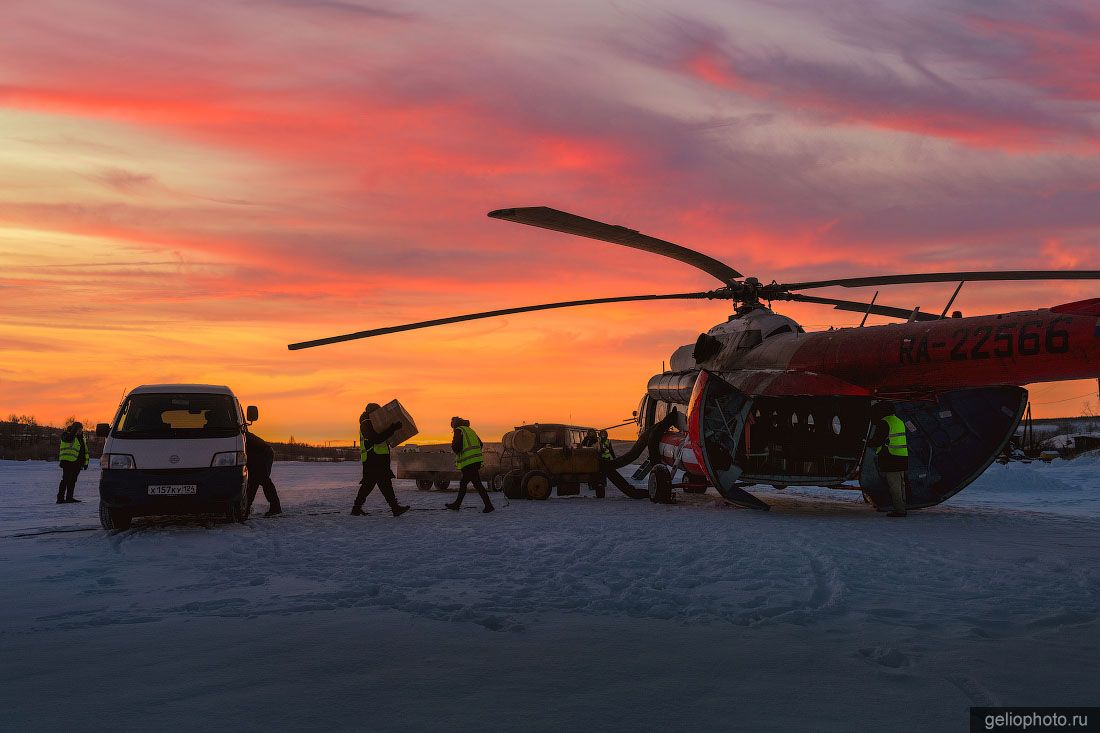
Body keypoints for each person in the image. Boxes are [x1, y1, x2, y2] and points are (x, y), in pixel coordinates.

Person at [354, 403, 410, 517]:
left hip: (377, 459)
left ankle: (356, 509)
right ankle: (395, 508)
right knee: (381, 484)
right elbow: (376, 439)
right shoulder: (366, 423)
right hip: (373, 459)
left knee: (374, 485)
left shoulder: (372, 422)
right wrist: (392, 429)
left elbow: (380, 437)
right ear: (373, 412)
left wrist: (392, 431)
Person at [867, 402, 908, 517]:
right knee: (901, 485)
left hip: (891, 458)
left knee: (894, 486)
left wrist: (866, 442)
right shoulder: (899, 421)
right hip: (902, 457)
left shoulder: (884, 422)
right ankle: (903, 506)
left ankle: (900, 510)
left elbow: (877, 441)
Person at [445, 416, 494, 513]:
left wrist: (457, 448)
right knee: (466, 483)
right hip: (475, 461)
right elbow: (480, 444)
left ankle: (489, 506)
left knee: (476, 484)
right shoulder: (470, 430)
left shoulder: (459, 430)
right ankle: (457, 504)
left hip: (468, 462)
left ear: (454, 424)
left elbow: (456, 447)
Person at [245, 431, 282, 517]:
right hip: (259, 455)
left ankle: (275, 507)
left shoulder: (240, 435)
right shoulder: (240, 433)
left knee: (262, 479)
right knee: (255, 481)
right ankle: (246, 507)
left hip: (263, 454)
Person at [56, 422, 88, 504]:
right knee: (65, 480)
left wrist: (85, 462)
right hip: (68, 462)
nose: (80, 431)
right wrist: (74, 431)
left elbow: (84, 450)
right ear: (75, 429)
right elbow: (68, 439)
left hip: (77, 463)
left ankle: (69, 498)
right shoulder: (66, 435)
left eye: (81, 429)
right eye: (79, 429)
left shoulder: (81, 437)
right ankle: (60, 498)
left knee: (73, 481)